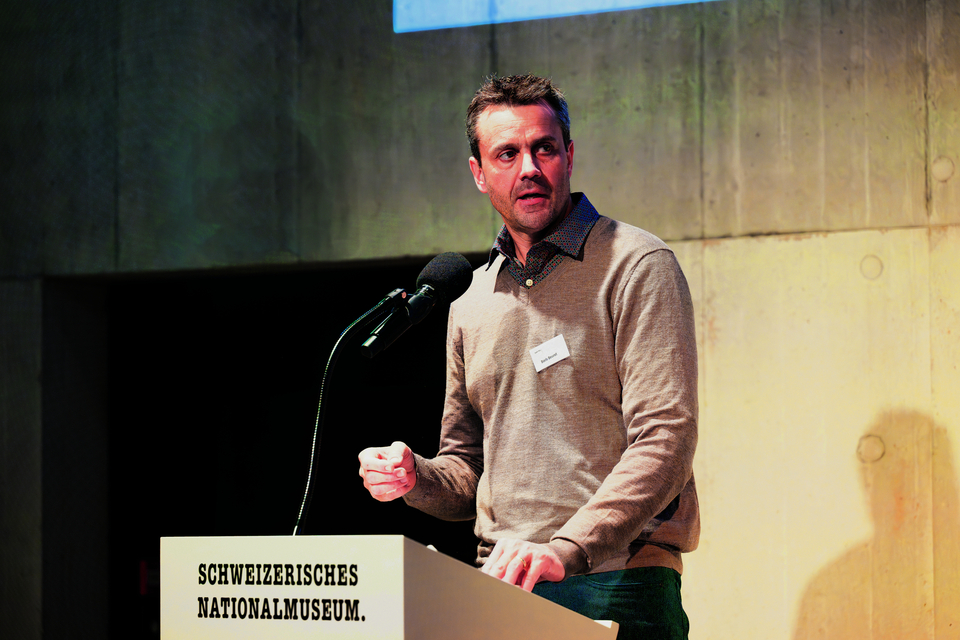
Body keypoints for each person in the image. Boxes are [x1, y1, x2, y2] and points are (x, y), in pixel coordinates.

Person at [358, 74, 699, 640]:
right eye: (507, 154)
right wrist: (415, 477)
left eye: (544, 148)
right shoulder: (470, 299)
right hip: (501, 583)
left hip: (619, 580)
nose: (529, 168)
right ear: (478, 172)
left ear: (569, 155)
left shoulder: (636, 264)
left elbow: (666, 439)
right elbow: (467, 469)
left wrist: (565, 550)